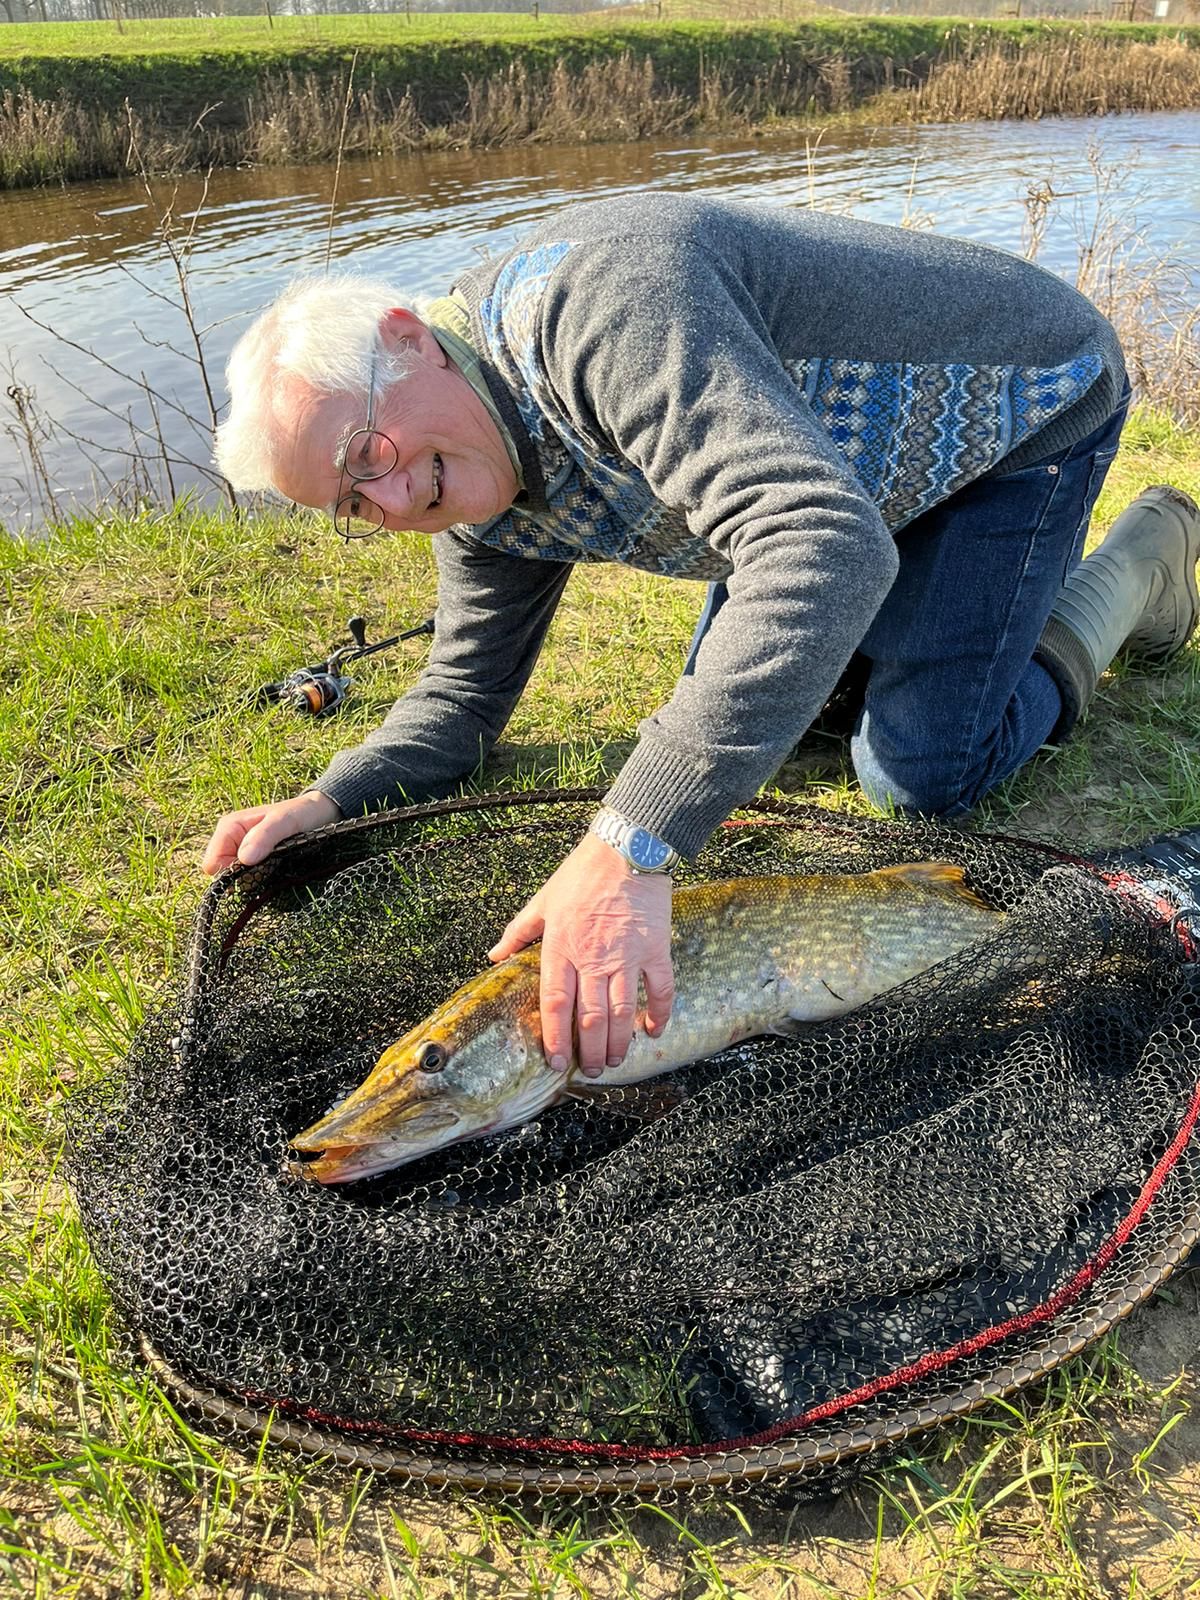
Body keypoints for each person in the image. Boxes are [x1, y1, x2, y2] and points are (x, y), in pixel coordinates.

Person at [207, 193, 1200, 1082]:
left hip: (1018, 412)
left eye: (365, 453)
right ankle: (932, 611)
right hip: (835, 483)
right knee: (766, 711)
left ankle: (1136, 568)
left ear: (407, 337)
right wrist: (332, 798)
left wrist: (628, 846)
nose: (387, 498)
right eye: (350, 501)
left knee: (922, 775)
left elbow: (821, 544)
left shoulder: (600, 313)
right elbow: (463, 698)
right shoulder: (466, 482)